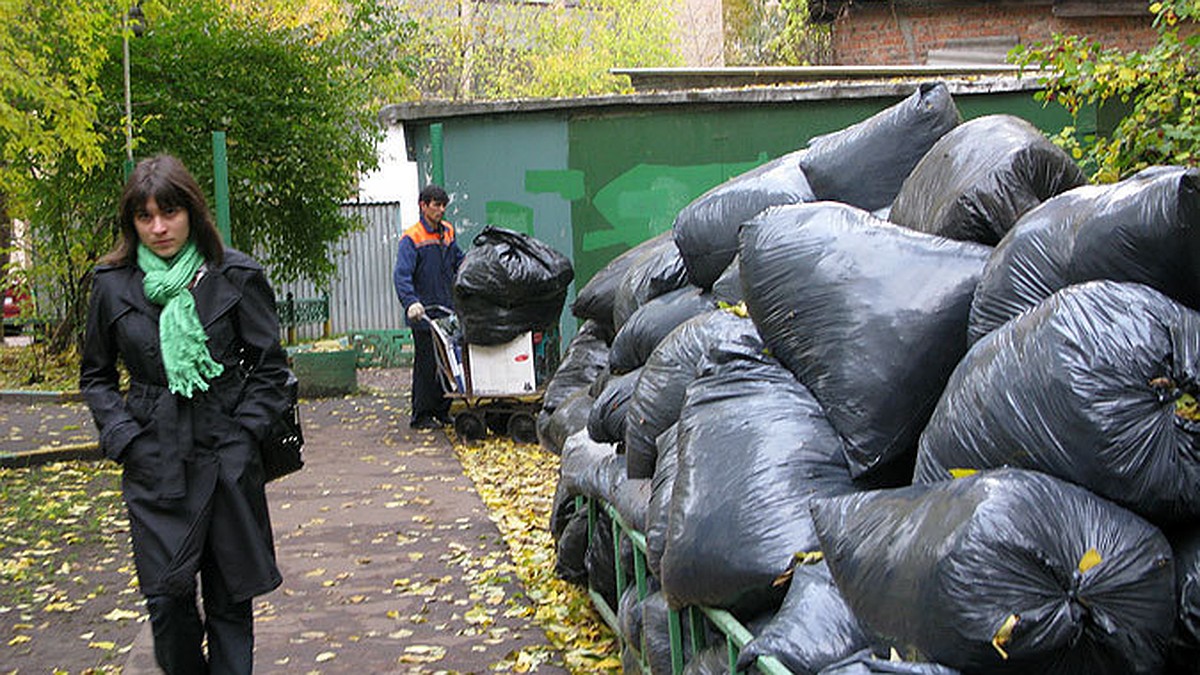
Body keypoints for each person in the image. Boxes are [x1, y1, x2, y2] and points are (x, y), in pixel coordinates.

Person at [81, 154, 291, 675]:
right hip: (155, 457)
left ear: (191, 212)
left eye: (169, 213)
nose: (158, 228)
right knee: (166, 601)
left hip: (225, 451)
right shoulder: (113, 286)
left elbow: (270, 369)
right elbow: (96, 376)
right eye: (144, 217)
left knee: (229, 600)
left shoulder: (235, 275)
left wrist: (244, 436)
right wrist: (123, 435)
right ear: (131, 222)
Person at [393, 184, 465, 430]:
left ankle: (442, 410)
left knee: (446, 363)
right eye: (436, 205)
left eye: (443, 205)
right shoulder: (412, 238)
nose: (441, 210)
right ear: (423, 206)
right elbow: (402, 274)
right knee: (426, 363)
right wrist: (411, 302)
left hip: (445, 309)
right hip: (423, 312)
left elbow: (459, 261)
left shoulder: (447, 233)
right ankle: (421, 414)